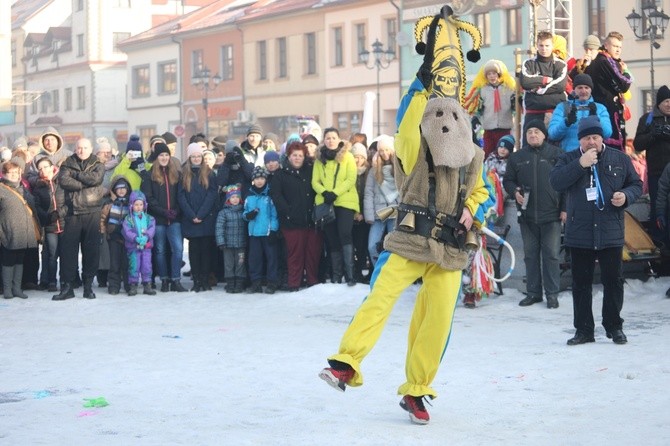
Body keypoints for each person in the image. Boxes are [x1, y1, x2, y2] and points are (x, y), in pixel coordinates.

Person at [318, 97, 489, 425]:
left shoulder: (474, 156)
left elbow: (482, 193)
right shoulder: (414, 148)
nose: (445, 121)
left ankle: (416, 389)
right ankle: (346, 362)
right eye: (437, 114)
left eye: (453, 115)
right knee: (380, 298)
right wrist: (422, 86)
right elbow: (408, 123)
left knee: (437, 321)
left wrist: (472, 210)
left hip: (449, 248)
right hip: (410, 239)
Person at [550, 116, 642, 345]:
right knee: (581, 284)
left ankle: (614, 326)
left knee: (614, 281)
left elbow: (636, 184)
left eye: (595, 137)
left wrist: (626, 196)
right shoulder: (568, 159)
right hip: (579, 232)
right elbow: (556, 182)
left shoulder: (619, 158)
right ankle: (584, 330)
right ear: (580, 140)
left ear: (602, 138)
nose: (591, 142)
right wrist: (580, 164)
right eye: (587, 138)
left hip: (610, 231)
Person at [503, 120, 565, 308]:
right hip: (527, 216)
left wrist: (565, 209)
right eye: (529, 132)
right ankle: (533, 293)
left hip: (552, 215)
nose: (533, 135)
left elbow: (567, 184)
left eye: (537, 131)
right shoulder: (517, 157)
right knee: (530, 255)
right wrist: (514, 192)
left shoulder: (557, 155)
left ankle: (552, 294)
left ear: (544, 135)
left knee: (552, 255)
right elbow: (508, 180)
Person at [52, 138, 105, 301]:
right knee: (68, 252)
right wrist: (84, 183)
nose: (81, 150)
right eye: (79, 148)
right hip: (72, 212)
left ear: (90, 149)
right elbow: (64, 181)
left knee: (91, 251)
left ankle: (88, 286)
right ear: (75, 149)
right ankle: (67, 287)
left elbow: (96, 180)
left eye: (85, 147)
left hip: (92, 211)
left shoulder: (98, 163)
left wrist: (76, 175)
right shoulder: (67, 162)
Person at [270, 142, 322, 291]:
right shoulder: (280, 174)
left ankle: (312, 281)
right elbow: (276, 196)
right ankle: (294, 283)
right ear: (288, 156)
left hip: (311, 220)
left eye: (300, 155)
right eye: (294, 155)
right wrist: (288, 212)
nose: (297, 158)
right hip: (291, 222)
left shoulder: (311, 171)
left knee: (312, 253)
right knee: (295, 254)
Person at [311, 127, 359, 286]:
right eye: (327, 138)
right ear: (323, 141)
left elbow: (351, 178)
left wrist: (335, 192)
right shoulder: (319, 159)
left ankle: (350, 275)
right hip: (325, 203)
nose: (330, 140)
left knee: (345, 234)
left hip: (345, 201)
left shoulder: (348, 156)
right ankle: (337, 276)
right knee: (332, 239)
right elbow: (315, 181)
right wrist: (325, 193)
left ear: (339, 139)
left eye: (333, 137)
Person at [141, 143, 187, 293]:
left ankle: (176, 279)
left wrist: (176, 211)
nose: (164, 158)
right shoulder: (149, 175)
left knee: (178, 250)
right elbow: (148, 197)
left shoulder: (176, 174)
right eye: (161, 155)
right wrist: (162, 212)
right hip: (158, 219)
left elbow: (181, 195)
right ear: (156, 158)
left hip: (175, 219)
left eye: (166, 155)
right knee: (160, 251)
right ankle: (165, 279)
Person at [177, 143, 218, 292]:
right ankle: (197, 280)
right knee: (194, 252)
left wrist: (201, 214)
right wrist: (191, 214)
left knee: (206, 251)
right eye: (193, 156)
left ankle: (205, 279)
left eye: (198, 156)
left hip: (205, 218)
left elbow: (212, 194)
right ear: (189, 158)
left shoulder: (209, 173)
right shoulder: (184, 173)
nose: (196, 159)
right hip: (190, 218)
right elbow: (181, 196)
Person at [584, 31, 632, 150]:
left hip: (609, 109)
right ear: (606, 45)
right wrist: (626, 72)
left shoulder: (609, 61)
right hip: (606, 110)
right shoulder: (604, 61)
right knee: (611, 146)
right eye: (615, 46)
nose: (618, 50)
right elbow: (624, 85)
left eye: (620, 47)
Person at [0, 161, 41, 299]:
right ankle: (7, 289)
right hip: (7, 231)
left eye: (17, 173)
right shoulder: (1, 189)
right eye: (12, 173)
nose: (15, 176)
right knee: (8, 261)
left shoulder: (23, 188)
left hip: (24, 231)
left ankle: (17, 288)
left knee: (19, 261)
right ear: (4, 174)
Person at [634, 85, 670, 232]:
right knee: (657, 206)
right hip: (656, 171)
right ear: (659, 103)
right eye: (666, 101)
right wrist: (653, 135)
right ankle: (659, 240)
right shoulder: (648, 119)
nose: (669, 104)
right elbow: (637, 144)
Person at [463, 59, 515, 157]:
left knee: (505, 154)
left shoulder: (508, 88)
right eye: (489, 74)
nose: (492, 76)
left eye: (494, 73)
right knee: (487, 154)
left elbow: (515, 107)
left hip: (505, 128)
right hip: (489, 129)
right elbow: (478, 109)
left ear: (499, 74)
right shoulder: (483, 90)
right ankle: (488, 172)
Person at [548, 73, 612, 152]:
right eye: (580, 88)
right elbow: (552, 135)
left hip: (593, 154)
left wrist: (596, 118)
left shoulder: (600, 108)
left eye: (586, 87)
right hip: (569, 156)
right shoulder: (562, 107)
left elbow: (607, 134)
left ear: (591, 90)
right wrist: (566, 122)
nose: (583, 91)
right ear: (574, 89)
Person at [519, 31, 568, 130]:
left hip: (555, 114)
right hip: (532, 115)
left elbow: (560, 86)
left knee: (554, 144)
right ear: (537, 45)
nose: (544, 49)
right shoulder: (528, 63)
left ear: (552, 46)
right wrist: (545, 80)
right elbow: (525, 82)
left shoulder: (561, 64)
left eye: (547, 45)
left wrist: (539, 90)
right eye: (541, 45)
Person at [243, 166, 280, 294]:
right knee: (254, 259)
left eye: (262, 178)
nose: (259, 181)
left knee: (271, 258)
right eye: (257, 178)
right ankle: (256, 282)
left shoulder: (269, 196)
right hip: (253, 233)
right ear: (253, 180)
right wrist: (248, 216)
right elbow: (245, 212)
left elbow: (274, 215)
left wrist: (274, 230)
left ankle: (272, 282)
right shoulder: (249, 196)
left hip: (267, 232)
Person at [364, 135, 399, 268]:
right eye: (381, 150)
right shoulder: (374, 170)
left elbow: (404, 191)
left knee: (394, 247)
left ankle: (392, 274)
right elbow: (368, 193)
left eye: (387, 149)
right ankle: (379, 270)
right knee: (372, 245)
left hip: (395, 212)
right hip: (378, 214)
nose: (385, 153)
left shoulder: (400, 169)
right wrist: (369, 216)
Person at [32, 157, 65, 292]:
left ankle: (67, 279)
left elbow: (69, 202)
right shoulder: (39, 186)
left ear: (52, 167)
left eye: (45, 167)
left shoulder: (62, 181)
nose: (43, 170)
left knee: (64, 254)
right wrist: (48, 216)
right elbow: (37, 206)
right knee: (50, 254)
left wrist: (59, 213)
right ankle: (51, 281)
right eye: (40, 168)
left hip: (64, 224)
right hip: (49, 225)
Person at [100, 176, 132, 295]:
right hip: (113, 236)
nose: (121, 191)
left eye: (124, 188)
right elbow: (103, 219)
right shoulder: (109, 203)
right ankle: (114, 285)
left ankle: (129, 285)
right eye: (118, 189)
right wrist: (103, 232)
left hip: (128, 237)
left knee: (127, 262)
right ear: (114, 190)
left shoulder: (131, 203)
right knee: (114, 263)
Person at [121, 191, 156, 296]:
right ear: (131, 205)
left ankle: (147, 284)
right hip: (133, 247)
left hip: (146, 247)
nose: (139, 207)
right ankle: (133, 285)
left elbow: (152, 229)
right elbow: (127, 231)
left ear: (144, 205)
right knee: (134, 266)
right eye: (136, 205)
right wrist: (135, 238)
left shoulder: (149, 218)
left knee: (146, 265)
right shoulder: (128, 219)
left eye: (141, 204)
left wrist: (147, 237)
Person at [215, 185, 247, 294]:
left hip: (241, 244)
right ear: (228, 199)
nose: (235, 199)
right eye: (232, 197)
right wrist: (221, 241)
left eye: (237, 197)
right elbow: (219, 228)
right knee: (229, 264)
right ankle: (230, 283)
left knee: (240, 264)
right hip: (227, 245)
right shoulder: (223, 213)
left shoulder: (243, 211)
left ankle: (239, 283)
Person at [351, 142, 371, 283]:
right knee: (354, 245)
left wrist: (363, 213)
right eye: (355, 157)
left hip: (366, 214)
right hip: (351, 214)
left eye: (361, 157)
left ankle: (365, 272)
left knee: (364, 245)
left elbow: (368, 195)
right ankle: (355, 272)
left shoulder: (369, 173)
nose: (359, 160)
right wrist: (354, 213)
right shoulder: (348, 171)